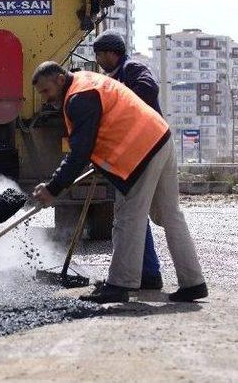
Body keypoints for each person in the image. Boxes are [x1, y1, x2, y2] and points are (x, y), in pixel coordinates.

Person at [31, 61, 207, 304]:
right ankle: (194, 283)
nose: (45, 98)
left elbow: (79, 152)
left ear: (60, 80)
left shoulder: (78, 97)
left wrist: (53, 188)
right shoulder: (87, 81)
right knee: (170, 216)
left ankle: (120, 284)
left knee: (128, 217)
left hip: (141, 153)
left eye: (46, 91)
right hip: (161, 139)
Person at [92, 29, 163, 290]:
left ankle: (142, 274)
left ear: (113, 53)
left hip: (146, 151)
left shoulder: (133, 69)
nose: (98, 60)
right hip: (130, 154)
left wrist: (118, 101)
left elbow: (149, 88)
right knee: (133, 215)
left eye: (100, 54)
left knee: (132, 215)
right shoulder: (113, 76)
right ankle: (148, 272)